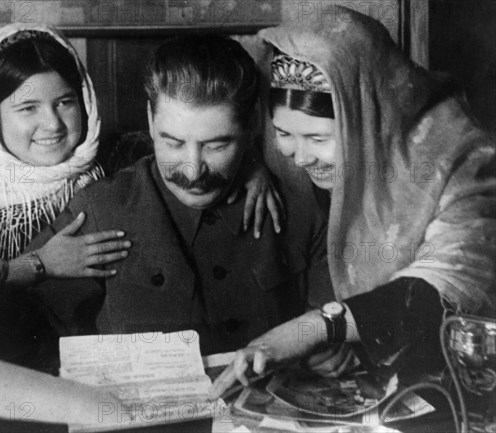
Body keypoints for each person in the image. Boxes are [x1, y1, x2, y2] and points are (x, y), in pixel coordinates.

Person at [0, 25, 284, 371]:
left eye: (65, 102)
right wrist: (38, 264)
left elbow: (200, 132)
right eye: (27, 108)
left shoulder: (116, 154)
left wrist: (252, 163)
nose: (53, 124)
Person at [210, 6, 496, 398]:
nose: (300, 156)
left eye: (318, 139)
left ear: (366, 119)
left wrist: (311, 329)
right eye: (283, 133)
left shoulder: (464, 159)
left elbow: (451, 285)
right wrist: (350, 346)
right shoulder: (349, 160)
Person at [27, 34, 329, 357]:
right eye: (173, 143)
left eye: (216, 145)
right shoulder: (98, 211)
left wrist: (329, 350)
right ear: (150, 121)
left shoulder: (302, 213)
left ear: (253, 123)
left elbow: (336, 330)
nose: (193, 170)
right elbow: (32, 338)